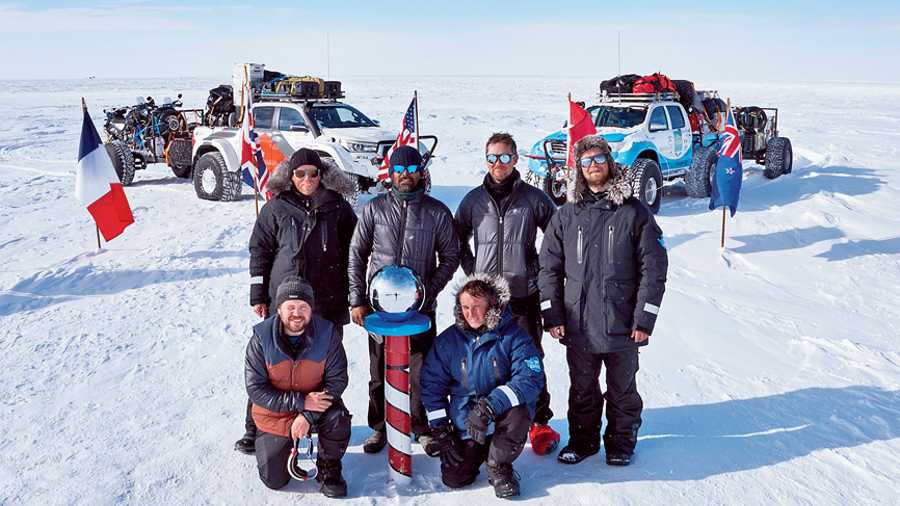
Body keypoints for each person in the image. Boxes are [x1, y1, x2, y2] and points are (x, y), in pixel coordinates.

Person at [538, 135, 668, 466]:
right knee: (582, 389)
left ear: (609, 163)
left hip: (622, 323)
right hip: (578, 322)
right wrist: (553, 316)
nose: (593, 166)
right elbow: (549, 268)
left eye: (598, 160)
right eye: (586, 162)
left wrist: (644, 319)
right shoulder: (566, 214)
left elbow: (654, 269)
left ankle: (621, 443)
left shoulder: (634, 212)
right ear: (578, 170)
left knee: (622, 390)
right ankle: (583, 442)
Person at [236, 148, 357, 455]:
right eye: (300, 174)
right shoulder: (276, 207)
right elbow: (259, 250)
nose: (307, 179)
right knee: (273, 364)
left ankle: (325, 422)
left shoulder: (339, 209)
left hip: (326, 301)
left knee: (324, 366)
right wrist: (258, 293)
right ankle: (256, 427)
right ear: (290, 177)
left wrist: (355, 295)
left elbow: (355, 253)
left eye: (313, 174)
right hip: (285, 300)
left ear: (322, 175)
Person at [348, 145, 460, 455]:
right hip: (379, 309)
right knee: (379, 370)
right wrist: (358, 298)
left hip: (419, 310)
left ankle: (420, 426)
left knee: (421, 371)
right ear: (391, 174)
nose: (405, 176)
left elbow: (451, 255)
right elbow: (357, 253)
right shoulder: (374, 209)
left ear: (421, 173)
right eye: (399, 171)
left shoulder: (436, 211)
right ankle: (381, 427)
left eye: (412, 171)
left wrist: (428, 291)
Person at [454, 132, 560, 455]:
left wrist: (538, 270)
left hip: (522, 294)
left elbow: (555, 235)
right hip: (484, 301)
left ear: (515, 159)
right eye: (492, 158)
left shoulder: (533, 198)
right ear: (485, 160)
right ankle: (484, 417)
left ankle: (539, 421)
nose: (497, 164)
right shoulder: (473, 200)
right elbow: (456, 239)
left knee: (529, 360)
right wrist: (474, 273)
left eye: (504, 157)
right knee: (482, 361)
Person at [421, 274, 545, 499]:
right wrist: (440, 429)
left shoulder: (514, 335)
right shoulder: (448, 341)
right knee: (454, 477)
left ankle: (499, 465)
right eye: (465, 307)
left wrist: (488, 406)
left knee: (519, 412)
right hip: (467, 424)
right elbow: (431, 386)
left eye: (477, 307)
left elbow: (530, 378)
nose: (471, 313)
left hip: (501, 418)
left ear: (492, 305)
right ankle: (476, 451)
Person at [245, 276, 351, 497]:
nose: (297, 312)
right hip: (275, 413)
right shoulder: (260, 339)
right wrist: (300, 401)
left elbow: (337, 380)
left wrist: (307, 415)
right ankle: (268, 441)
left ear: (311, 309)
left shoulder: (327, 334)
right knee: (274, 480)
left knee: (338, 418)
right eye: (290, 306)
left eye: (303, 306)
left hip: (317, 407)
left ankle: (328, 466)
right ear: (279, 309)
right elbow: (255, 389)